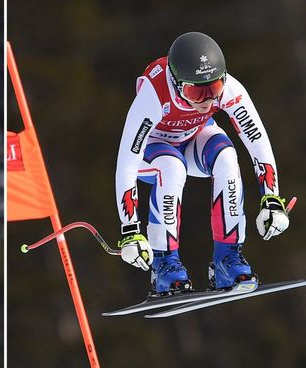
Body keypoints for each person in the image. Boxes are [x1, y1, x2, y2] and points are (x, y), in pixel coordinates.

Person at [115, 32, 290, 294]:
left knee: (226, 157)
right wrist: (130, 230)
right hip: (151, 150)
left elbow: (256, 139)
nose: (207, 100)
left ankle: (227, 260)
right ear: (176, 83)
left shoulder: (229, 88)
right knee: (171, 167)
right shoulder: (154, 93)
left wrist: (272, 199)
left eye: (214, 89)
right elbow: (127, 161)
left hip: (192, 138)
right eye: (196, 92)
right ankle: (165, 265)